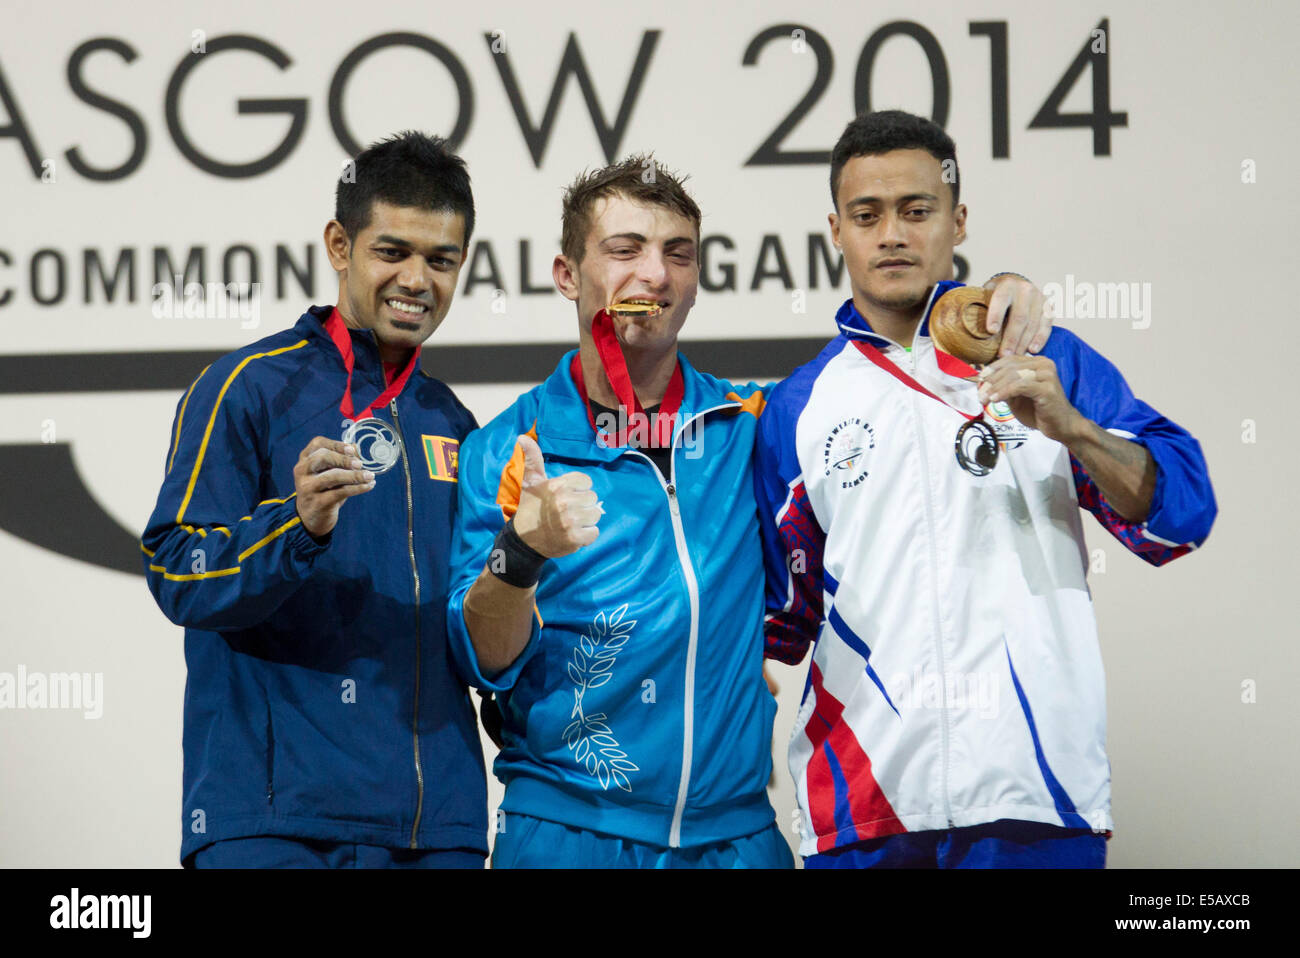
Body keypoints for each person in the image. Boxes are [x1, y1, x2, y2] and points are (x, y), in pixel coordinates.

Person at [445, 154, 1048, 868]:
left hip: (737, 839)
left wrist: (999, 297)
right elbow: (482, 660)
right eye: (624, 250)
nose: (655, 275)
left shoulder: (754, 424)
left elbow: (895, 381)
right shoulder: (504, 451)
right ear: (568, 276)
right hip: (569, 832)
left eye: (678, 254)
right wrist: (523, 552)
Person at [754, 110, 1218, 868]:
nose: (893, 235)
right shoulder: (798, 408)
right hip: (865, 813)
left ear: (958, 220)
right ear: (835, 231)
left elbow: (1182, 514)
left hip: (1037, 798)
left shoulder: (1045, 356)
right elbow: (775, 620)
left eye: (917, 210)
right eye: (867, 216)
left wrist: (1071, 428)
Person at [141, 131, 487, 868]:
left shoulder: (455, 425)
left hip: (438, 831)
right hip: (274, 822)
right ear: (339, 245)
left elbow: (478, 622)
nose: (417, 279)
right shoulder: (249, 388)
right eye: (392, 251)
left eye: (441, 259)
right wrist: (293, 525)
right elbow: (177, 570)